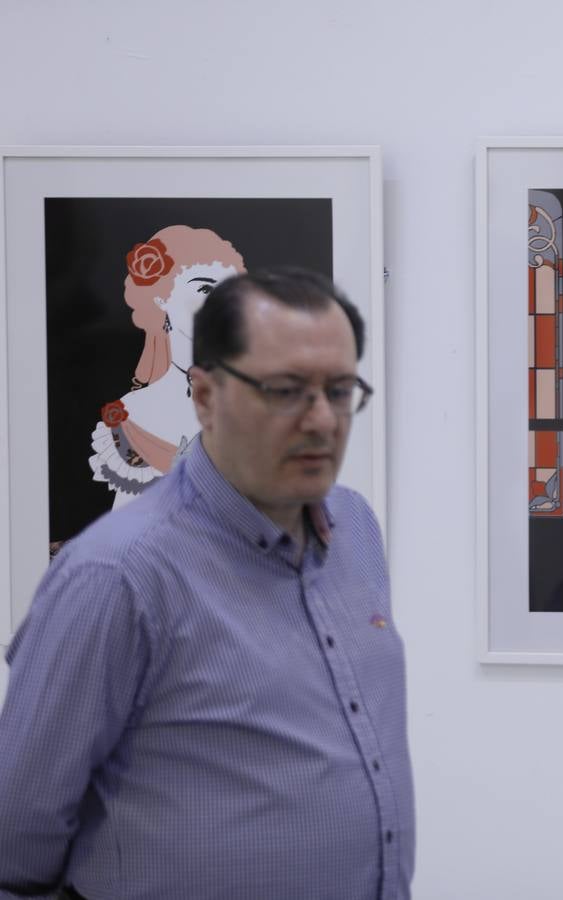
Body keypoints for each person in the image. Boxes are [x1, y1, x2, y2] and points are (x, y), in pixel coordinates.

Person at [0, 268, 413, 900]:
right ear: (205, 395)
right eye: (285, 391)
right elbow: (15, 840)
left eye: (338, 390)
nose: (322, 420)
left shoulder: (354, 526)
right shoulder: (116, 575)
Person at [88, 224, 246, 504]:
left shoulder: (251, 405)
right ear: (162, 296)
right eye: (205, 288)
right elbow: (126, 523)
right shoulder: (135, 413)